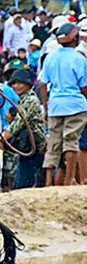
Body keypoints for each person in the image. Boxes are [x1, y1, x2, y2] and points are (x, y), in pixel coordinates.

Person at [38, 22, 87, 186]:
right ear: (75, 39)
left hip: (55, 106)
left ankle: (47, 183)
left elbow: (43, 84)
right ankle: (68, 181)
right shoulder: (79, 59)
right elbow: (84, 86)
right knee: (71, 142)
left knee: (53, 143)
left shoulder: (50, 57)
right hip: (76, 105)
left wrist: (46, 106)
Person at [2, 69, 46, 190]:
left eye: (20, 83)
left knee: (25, 182)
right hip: (27, 144)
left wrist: (2, 139)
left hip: (35, 144)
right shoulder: (22, 100)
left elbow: (19, 123)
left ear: (28, 85)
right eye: (14, 83)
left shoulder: (30, 100)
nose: (16, 86)